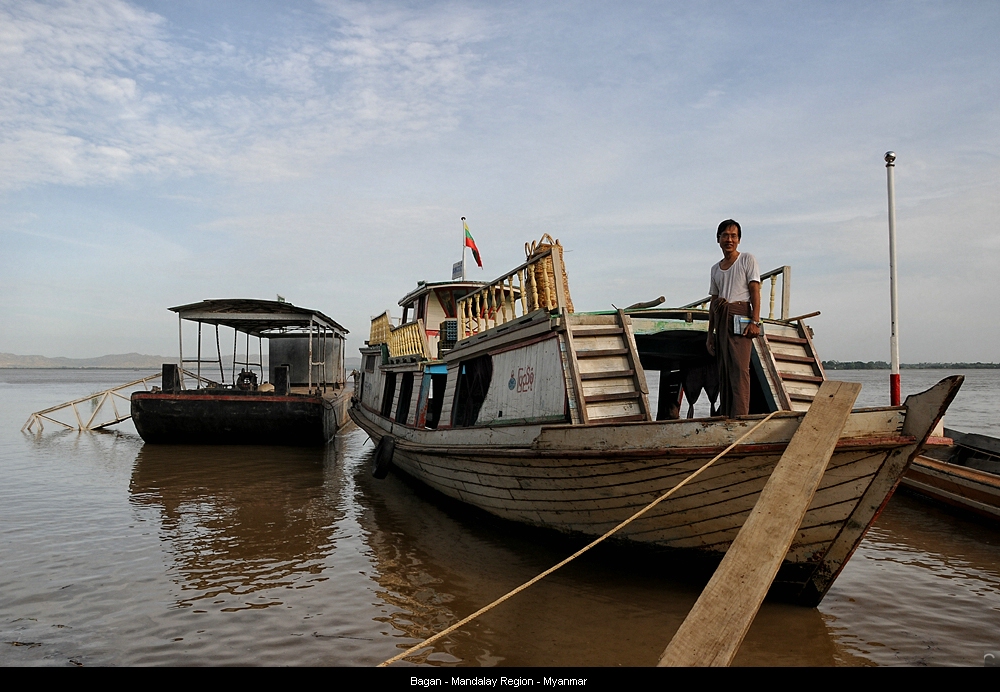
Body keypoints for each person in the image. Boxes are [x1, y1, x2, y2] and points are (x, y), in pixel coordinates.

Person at [706, 219, 761, 418]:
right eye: (725, 236)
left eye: (733, 236)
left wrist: (755, 321)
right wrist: (710, 334)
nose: (729, 239)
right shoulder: (715, 269)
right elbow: (714, 302)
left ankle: (740, 416)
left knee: (739, 369)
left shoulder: (747, 259)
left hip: (740, 315)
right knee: (724, 369)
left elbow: (755, 290)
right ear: (718, 239)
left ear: (738, 240)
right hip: (721, 317)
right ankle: (728, 415)